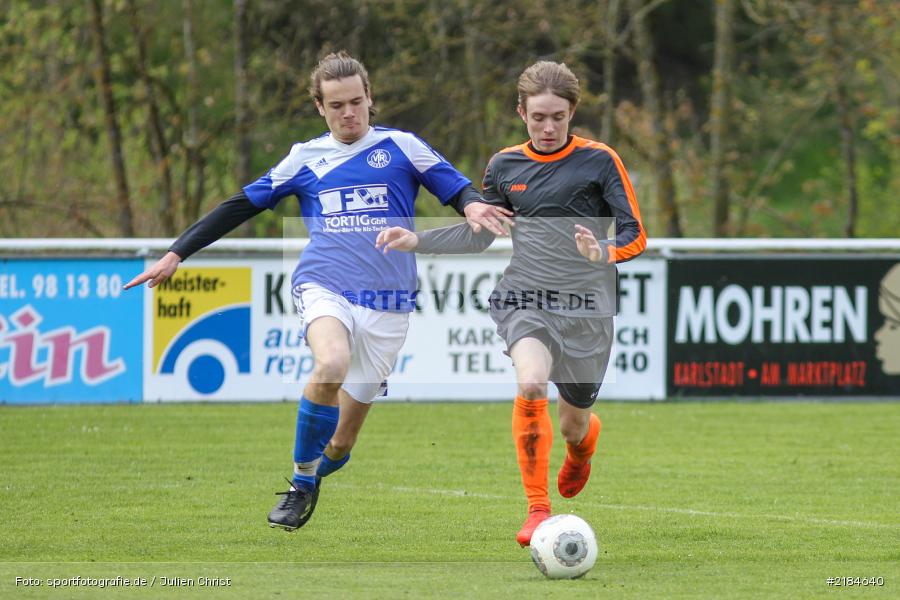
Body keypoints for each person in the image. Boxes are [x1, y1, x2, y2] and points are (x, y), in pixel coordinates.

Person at [124, 51, 512, 531]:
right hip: (324, 282)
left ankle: (317, 468)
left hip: (389, 301)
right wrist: (177, 252)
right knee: (330, 364)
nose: (348, 113)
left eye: (356, 102)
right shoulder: (305, 158)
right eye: (336, 106)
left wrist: (473, 206)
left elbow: (455, 186)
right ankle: (301, 482)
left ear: (370, 99)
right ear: (319, 108)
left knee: (342, 445)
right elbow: (239, 205)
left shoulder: (402, 146)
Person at [376, 60, 647, 546]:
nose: (548, 127)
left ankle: (582, 446)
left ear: (573, 113)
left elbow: (635, 233)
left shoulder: (600, 160)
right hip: (526, 296)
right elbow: (481, 234)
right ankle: (537, 510)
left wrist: (601, 251)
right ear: (521, 111)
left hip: (587, 307)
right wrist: (416, 239)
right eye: (538, 116)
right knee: (529, 382)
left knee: (572, 423)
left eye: (558, 117)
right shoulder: (504, 166)